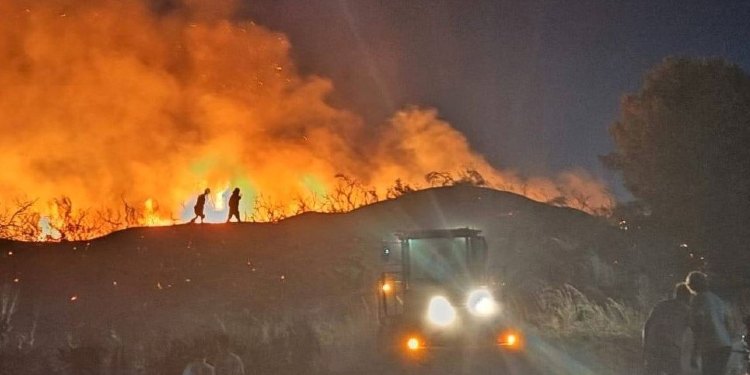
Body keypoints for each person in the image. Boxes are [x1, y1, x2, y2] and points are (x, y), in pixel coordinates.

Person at [686, 271, 733, 375]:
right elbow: (728, 322)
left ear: (691, 285)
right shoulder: (717, 299)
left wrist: (695, 352)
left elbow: (699, 326)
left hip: (711, 346)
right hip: (725, 344)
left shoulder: (698, 300)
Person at [643, 282, 692, 375]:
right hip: (671, 348)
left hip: (654, 347)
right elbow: (696, 329)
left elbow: (647, 325)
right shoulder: (686, 310)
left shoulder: (660, 305)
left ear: (676, 294)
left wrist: (645, 346)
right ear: (688, 296)